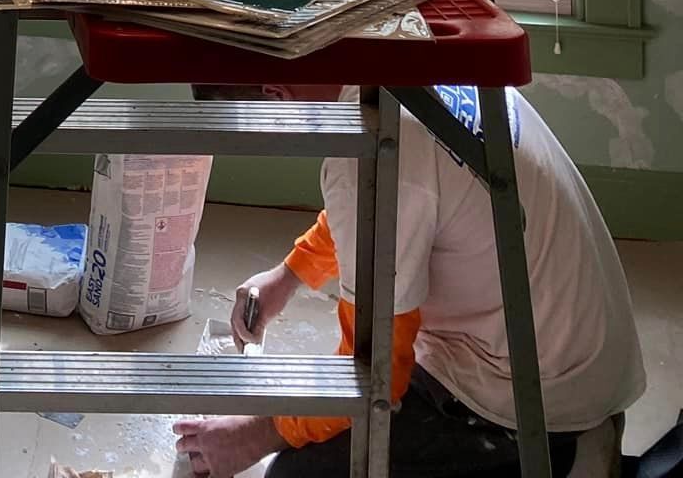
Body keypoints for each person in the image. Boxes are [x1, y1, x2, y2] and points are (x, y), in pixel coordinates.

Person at [171, 81, 645, 478]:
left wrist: (257, 432)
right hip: (577, 355)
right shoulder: (393, 63)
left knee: (295, 474)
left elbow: (374, 377)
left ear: (277, 96)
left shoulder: (372, 153)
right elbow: (381, 207)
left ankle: (568, 456)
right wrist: (290, 274)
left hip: (539, 405)